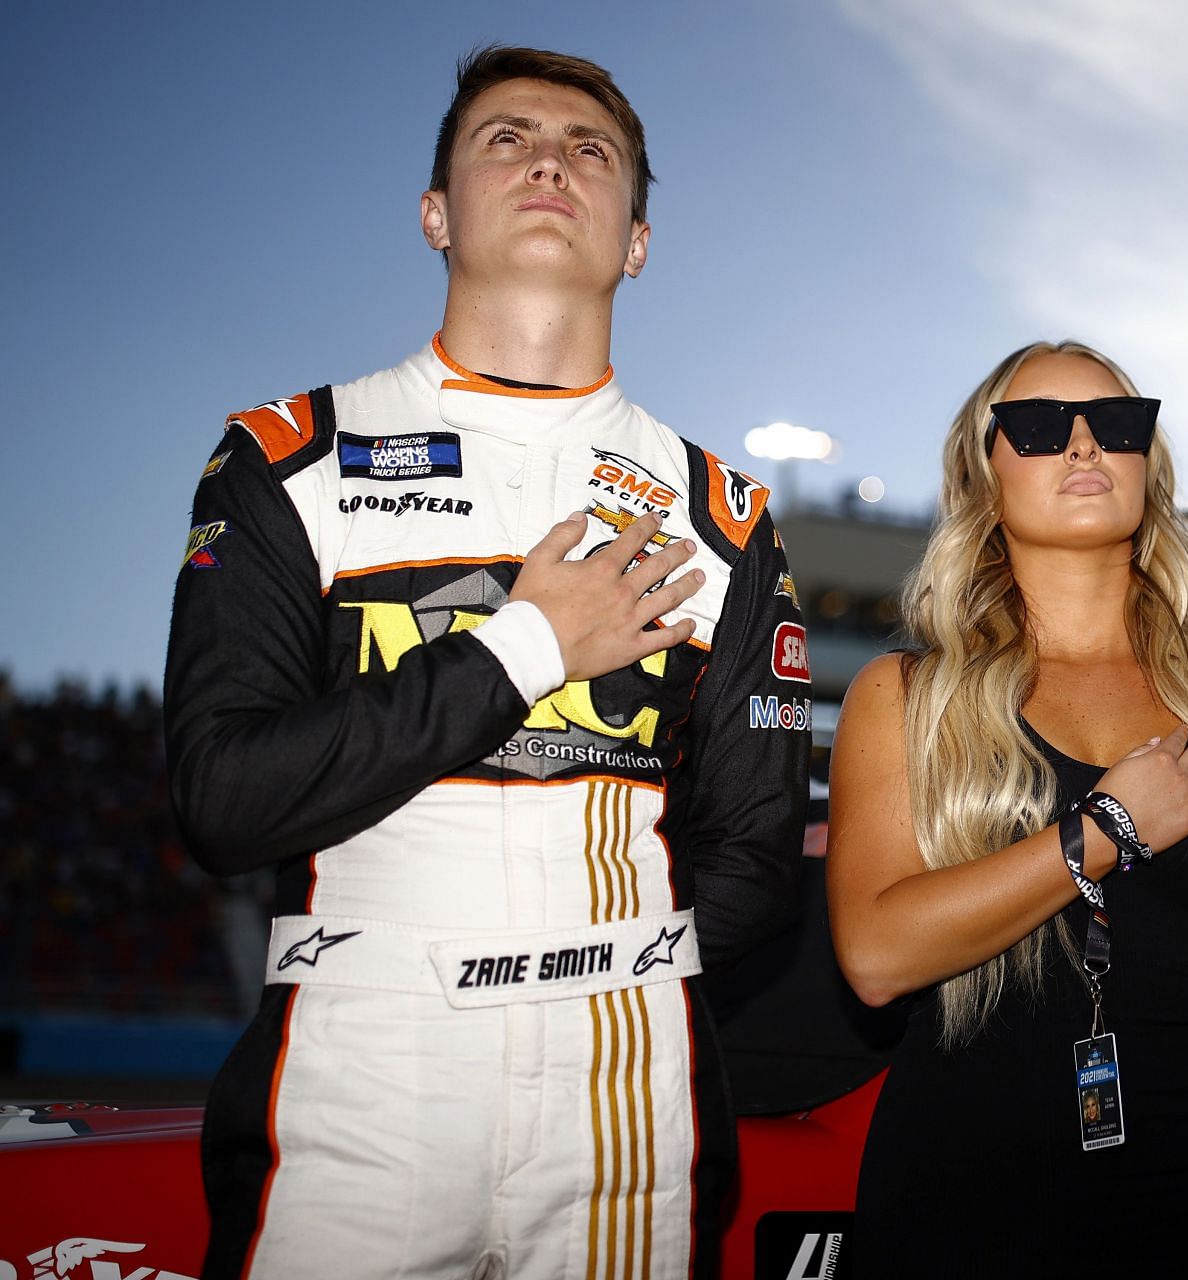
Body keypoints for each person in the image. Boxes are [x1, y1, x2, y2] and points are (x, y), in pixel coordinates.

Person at [164, 46, 810, 1279]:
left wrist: (600, 976)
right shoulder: (287, 457)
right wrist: (528, 643)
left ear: (637, 241)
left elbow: (757, 851)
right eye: (505, 139)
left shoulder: (722, 508)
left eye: (591, 149)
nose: (551, 160)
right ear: (436, 214)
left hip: (630, 1088)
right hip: (355, 1077)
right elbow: (225, 798)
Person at [826, 341, 1188, 1275]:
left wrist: (1149, 1026)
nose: (1084, 445)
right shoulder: (907, 696)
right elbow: (875, 954)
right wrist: (1104, 831)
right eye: (1039, 426)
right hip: (963, 1187)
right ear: (984, 477)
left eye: (1117, 424)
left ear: (1150, 464)